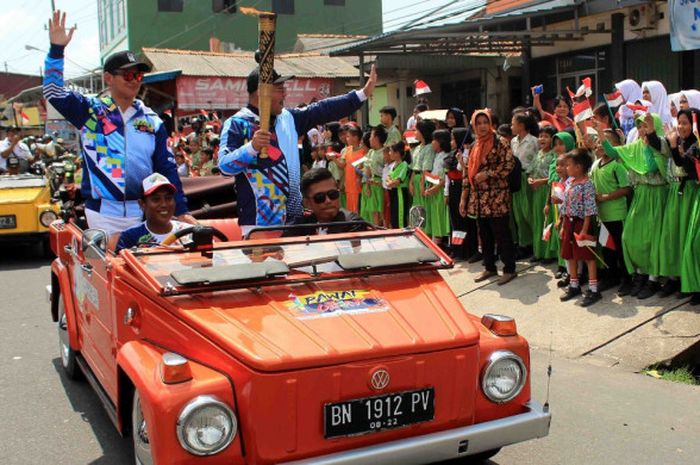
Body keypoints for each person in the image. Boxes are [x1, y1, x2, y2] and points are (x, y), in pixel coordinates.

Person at [44, 10, 192, 235]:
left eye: (138, 76)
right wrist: (57, 50)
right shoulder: (91, 112)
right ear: (108, 78)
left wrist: (181, 210)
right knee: (108, 269)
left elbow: (166, 169)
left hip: (144, 212)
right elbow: (53, 92)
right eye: (128, 75)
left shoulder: (152, 121)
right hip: (102, 214)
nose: (134, 81)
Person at [218, 59, 377, 236]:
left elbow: (323, 109)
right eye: (280, 90)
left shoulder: (288, 118)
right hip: (259, 224)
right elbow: (224, 166)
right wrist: (251, 148)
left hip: (295, 221)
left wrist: (361, 95)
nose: (285, 95)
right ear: (261, 92)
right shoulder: (237, 124)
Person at [600, 113, 669, 298]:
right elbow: (615, 152)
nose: (642, 130)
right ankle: (640, 274)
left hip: (657, 195)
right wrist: (601, 135)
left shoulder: (661, 145)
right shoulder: (635, 147)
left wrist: (649, 146)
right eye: (639, 126)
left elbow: (653, 168)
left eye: (646, 125)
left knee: (653, 238)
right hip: (640, 195)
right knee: (630, 236)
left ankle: (652, 279)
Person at [459, 109, 517, 285]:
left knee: (501, 234)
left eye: (486, 122)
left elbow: (509, 164)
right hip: (478, 199)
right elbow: (467, 172)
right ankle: (490, 267)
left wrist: (488, 174)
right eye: (479, 123)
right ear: (474, 125)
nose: (483, 126)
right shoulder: (475, 145)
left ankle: (509, 269)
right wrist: (463, 198)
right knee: (484, 234)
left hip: (496, 196)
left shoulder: (500, 142)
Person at [589, 127, 631, 293]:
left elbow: (626, 189)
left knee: (621, 248)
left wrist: (606, 197)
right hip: (602, 215)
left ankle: (627, 279)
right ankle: (611, 276)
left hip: (616, 214)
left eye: (605, 142)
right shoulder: (594, 165)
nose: (600, 144)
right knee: (607, 247)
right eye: (598, 141)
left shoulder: (617, 166)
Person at [558, 149, 601, 306]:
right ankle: (574, 284)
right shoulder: (570, 183)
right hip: (569, 223)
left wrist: (584, 229)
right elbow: (565, 204)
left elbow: (590, 208)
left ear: (579, 167)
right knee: (570, 255)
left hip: (581, 223)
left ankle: (593, 288)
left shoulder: (587, 184)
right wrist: (563, 225)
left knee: (587, 256)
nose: (566, 168)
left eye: (568, 165)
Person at [115, 173, 191, 252]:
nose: (164, 204)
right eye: (156, 199)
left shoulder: (188, 232)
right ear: (142, 204)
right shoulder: (130, 237)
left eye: (168, 198)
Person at [285, 167, 363, 236]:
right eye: (320, 197)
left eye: (332, 194)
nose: (328, 201)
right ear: (307, 203)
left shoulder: (353, 224)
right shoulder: (301, 225)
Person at [511, 111, 539, 258]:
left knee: (530, 213)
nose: (511, 126)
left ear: (521, 125)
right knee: (519, 213)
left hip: (529, 177)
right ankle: (524, 244)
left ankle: (536, 245)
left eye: (513, 123)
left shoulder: (534, 141)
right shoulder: (513, 141)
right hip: (516, 177)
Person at [529, 126, 557, 261]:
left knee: (548, 220)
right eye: (540, 136)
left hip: (547, 190)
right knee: (538, 221)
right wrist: (530, 178)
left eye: (546, 136)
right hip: (536, 191)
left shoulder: (554, 155)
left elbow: (554, 176)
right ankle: (538, 252)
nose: (542, 139)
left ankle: (548, 253)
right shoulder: (538, 153)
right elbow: (531, 170)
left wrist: (540, 181)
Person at [425, 129, 451, 246]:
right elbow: (434, 174)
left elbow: (444, 177)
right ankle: (436, 242)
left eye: (434, 140)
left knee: (440, 216)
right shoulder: (437, 156)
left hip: (440, 191)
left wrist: (434, 188)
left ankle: (440, 243)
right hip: (434, 190)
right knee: (434, 216)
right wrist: (430, 185)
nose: (432, 143)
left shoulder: (446, 156)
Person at [360, 126, 386, 225]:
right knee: (374, 211)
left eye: (371, 136)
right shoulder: (371, 152)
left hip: (381, 184)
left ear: (377, 138)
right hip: (372, 184)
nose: (369, 139)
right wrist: (367, 185)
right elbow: (367, 169)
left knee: (383, 211)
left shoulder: (385, 152)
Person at [386, 141, 411, 228]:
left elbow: (397, 181)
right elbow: (388, 178)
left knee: (400, 216)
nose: (389, 153)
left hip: (400, 192)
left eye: (391, 151)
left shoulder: (404, 165)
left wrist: (391, 182)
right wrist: (390, 182)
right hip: (393, 192)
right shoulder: (393, 165)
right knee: (393, 216)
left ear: (397, 153)